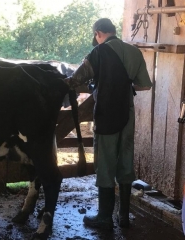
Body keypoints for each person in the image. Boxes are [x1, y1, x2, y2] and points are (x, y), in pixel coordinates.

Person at [65, 18, 152, 230]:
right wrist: (123, 85)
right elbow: (144, 85)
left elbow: (75, 81)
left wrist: (96, 85)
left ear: (98, 33)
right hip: (127, 114)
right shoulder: (134, 52)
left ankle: (105, 216)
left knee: (105, 163)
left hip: (105, 114)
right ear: (113, 31)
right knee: (125, 160)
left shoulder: (98, 52)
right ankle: (123, 216)